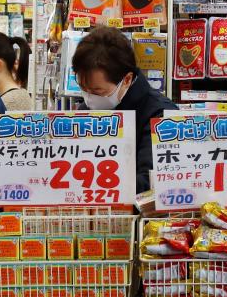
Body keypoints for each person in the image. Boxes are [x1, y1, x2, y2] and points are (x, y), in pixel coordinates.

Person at [71, 26, 177, 194]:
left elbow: (152, 182)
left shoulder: (160, 115)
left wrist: (100, 191)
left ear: (126, 80)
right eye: (84, 89)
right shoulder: (85, 111)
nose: (89, 99)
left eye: (98, 92)